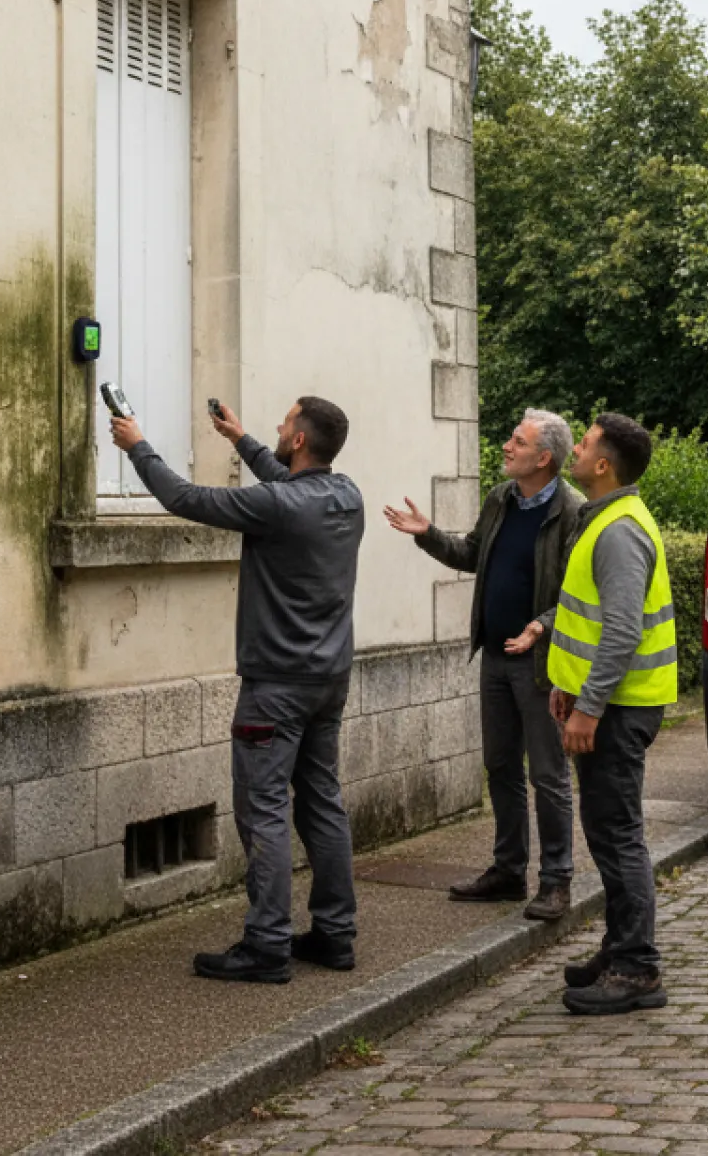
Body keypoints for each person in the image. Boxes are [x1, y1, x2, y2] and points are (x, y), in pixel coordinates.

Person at [110, 395, 363, 984]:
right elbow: (286, 486)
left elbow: (184, 498)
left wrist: (137, 446)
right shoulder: (346, 496)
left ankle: (267, 943)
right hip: (328, 680)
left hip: (275, 686)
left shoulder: (277, 506)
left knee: (265, 812)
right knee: (322, 804)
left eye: (285, 422)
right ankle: (335, 934)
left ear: (300, 439)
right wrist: (242, 439)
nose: (279, 426)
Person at [503, 412, 677, 1014]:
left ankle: (637, 969)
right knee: (606, 833)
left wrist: (590, 708)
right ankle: (620, 945)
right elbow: (588, 617)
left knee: (618, 834)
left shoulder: (619, 530)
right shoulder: (604, 518)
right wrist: (568, 687)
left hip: (620, 710)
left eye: (584, 444)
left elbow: (624, 631)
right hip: (603, 703)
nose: (574, 448)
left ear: (603, 465)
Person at [383, 410, 582, 921]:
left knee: (548, 774)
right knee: (500, 767)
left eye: (518, 441)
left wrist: (541, 624)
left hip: (540, 666)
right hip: (494, 657)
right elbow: (473, 554)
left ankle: (556, 881)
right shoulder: (500, 498)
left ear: (544, 458)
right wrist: (427, 533)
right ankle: (508, 872)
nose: (506, 446)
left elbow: (582, 595)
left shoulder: (572, 511)